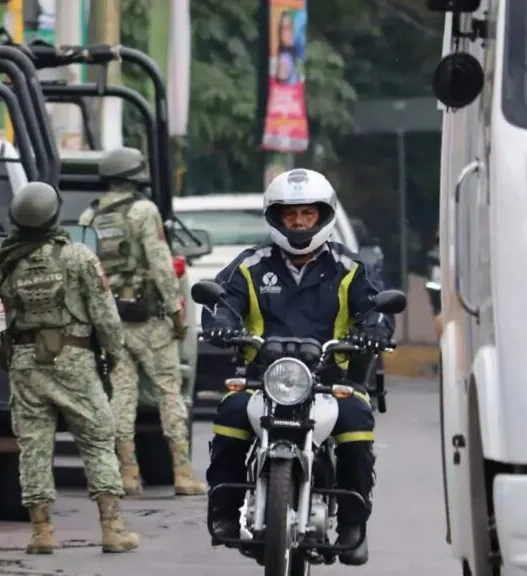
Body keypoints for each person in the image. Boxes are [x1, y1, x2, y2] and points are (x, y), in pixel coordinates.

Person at [202, 168, 393, 566]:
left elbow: (375, 308)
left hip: (330, 381)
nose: (300, 223)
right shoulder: (250, 265)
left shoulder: (350, 267)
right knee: (231, 416)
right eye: (291, 216)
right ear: (276, 219)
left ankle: (354, 527)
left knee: (357, 423)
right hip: (262, 381)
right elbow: (223, 302)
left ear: (323, 216)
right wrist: (220, 324)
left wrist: (374, 329)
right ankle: (223, 511)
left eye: (308, 215)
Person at [0, 181, 140, 555]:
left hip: (26, 364)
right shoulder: (78, 257)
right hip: (75, 360)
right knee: (96, 439)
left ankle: (41, 532)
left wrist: (0, 356)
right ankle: (112, 529)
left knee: (33, 447)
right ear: (54, 216)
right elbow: (106, 318)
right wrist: (113, 355)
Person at [78, 148, 206, 498]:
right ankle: (182, 472)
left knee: (122, 396)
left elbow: (86, 271)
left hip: (113, 322)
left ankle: (128, 474)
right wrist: (176, 308)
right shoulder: (144, 211)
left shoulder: (89, 216)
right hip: (149, 321)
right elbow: (162, 264)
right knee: (169, 391)